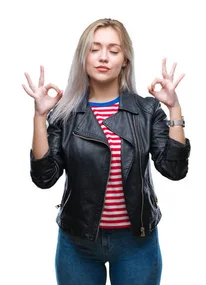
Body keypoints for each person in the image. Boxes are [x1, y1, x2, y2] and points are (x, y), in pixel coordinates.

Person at [24, 18, 191, 285]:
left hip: (137, 242)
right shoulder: (65, 114)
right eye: (95, 49)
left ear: (125, 59)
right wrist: (40, 117)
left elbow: (174, 169)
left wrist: (174, 109)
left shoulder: (146, 111)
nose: (104, 57)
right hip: (77, 241)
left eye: (113, 51)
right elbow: (44, 177)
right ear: (83, 57)